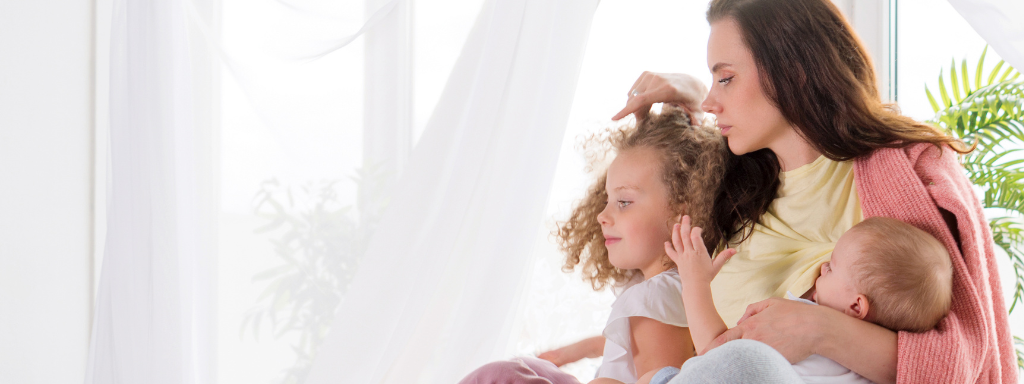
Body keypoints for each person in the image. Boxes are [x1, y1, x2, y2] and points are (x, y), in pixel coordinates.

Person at [607, 0, 1015, 383]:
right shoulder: (730, 187)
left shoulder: (909, 171)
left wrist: (822, 330)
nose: (714, 101)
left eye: (726, 78)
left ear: (793, 71)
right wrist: (692, 90)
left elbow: (961, 360)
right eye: (714, 81)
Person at [459, 107, 741, 384]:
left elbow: (664, 378)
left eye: (624, 202)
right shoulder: (667, 288)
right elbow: (631, 349)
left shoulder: (652, 298)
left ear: (681, 213)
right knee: (525, 368)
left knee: (500, 375)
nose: (602, 216)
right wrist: (573, 351)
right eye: (606, 200)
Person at [643, 215, 952, 384]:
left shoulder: (797, 323)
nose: (821, 267)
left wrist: (694, 281)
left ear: (856, 306)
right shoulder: (874, 370)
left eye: (831, 267)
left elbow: (718, 351)